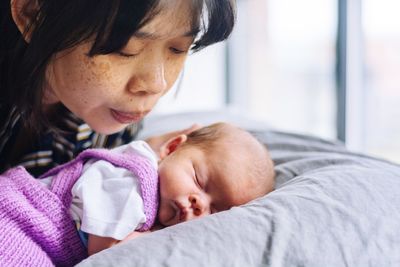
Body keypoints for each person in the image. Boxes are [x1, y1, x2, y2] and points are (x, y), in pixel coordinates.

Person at [0, 0, 236, 176]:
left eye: (178, 49)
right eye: (125, 49)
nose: (156, 84)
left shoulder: (111, 115)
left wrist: (130, 158)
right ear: (33, 15)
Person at [0, 122, 275, 266]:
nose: (199, 203)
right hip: (17, 220)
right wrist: (152, 235)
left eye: (215, 210)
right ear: (172, 148)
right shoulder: (135, 179)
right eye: (199, 180)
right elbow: (103, 252)